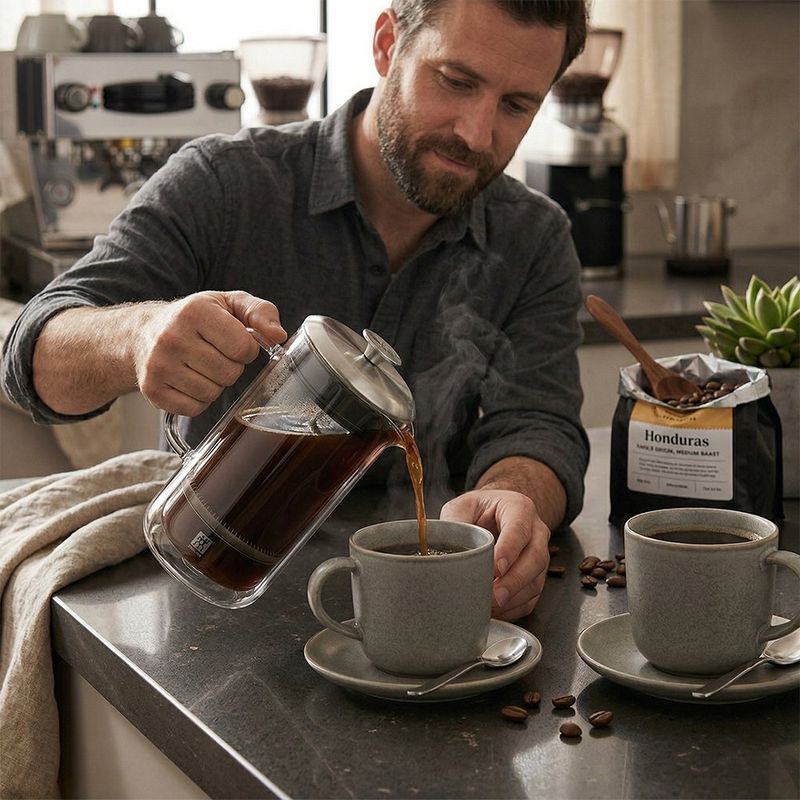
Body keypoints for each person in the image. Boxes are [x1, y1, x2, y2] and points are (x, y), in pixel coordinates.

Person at [1, 0, 590, 621]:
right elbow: (29, 358)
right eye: (456, 81)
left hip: (426, 609)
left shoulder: (534, 238)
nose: (475, 133)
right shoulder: (225, 185)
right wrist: (140, 335)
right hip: (213, 592)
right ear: (388, 44)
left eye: (516, 105)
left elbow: (539, 424)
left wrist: (514, 496)